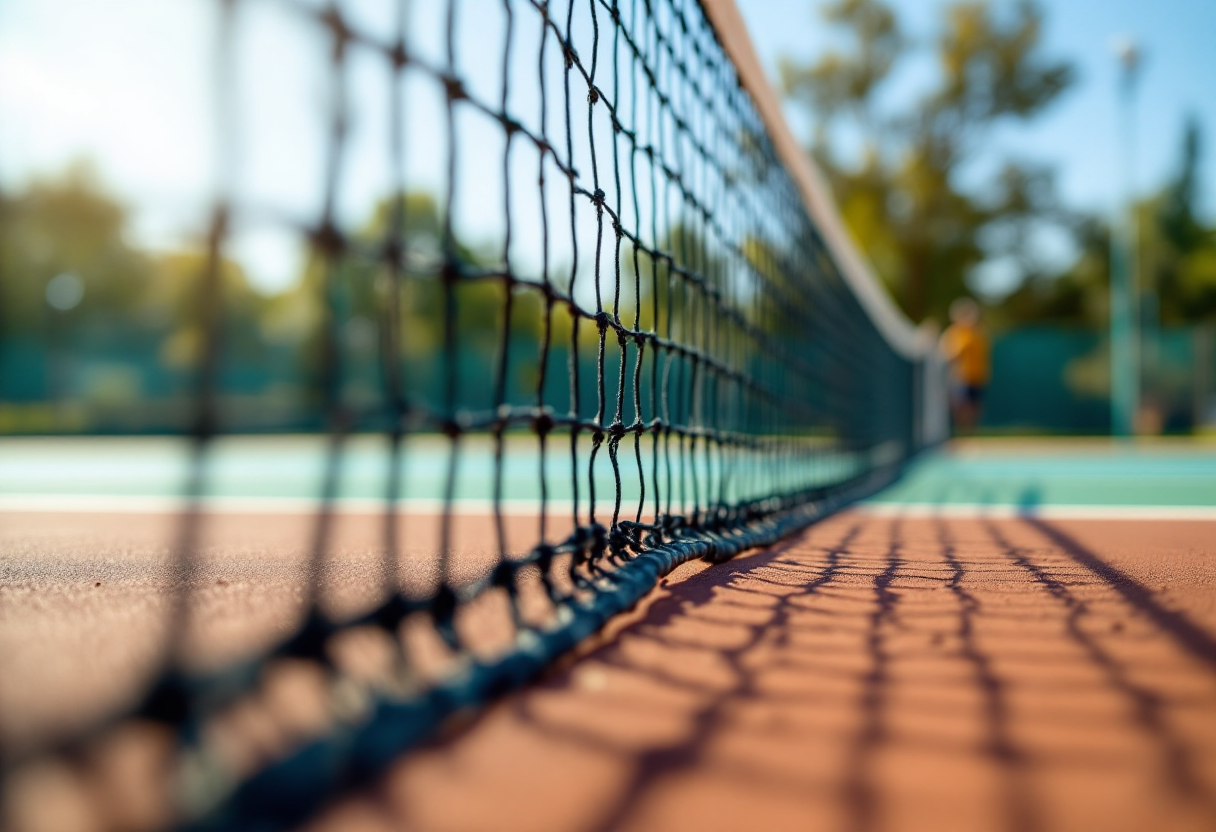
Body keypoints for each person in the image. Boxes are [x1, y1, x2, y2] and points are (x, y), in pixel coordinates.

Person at [940, 297, 990, 433]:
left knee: (975, 407)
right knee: (962, 407)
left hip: (977, 376)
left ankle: (970, 433)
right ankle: (962, 433)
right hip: (960, 378)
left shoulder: (978, 333)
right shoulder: (953, 333)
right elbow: (946, 353)